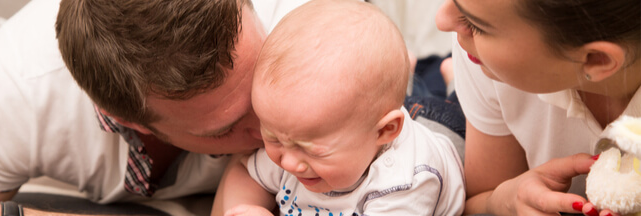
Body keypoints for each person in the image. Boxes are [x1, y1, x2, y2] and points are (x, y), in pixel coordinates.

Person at [0, 0, 307, 214]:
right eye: (225, 128)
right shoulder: (15, 94)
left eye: (259, 85)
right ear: (129, 121)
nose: (270, 129)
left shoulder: (311, 27)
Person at [211, 0, 466, 215]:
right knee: (380, 92)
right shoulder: (295, 135)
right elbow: (244, 173)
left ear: (383, 131)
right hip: (367, 117)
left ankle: (451, 75)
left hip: (439, 123)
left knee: (455, 105)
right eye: (272, 137)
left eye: (313, 151)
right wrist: (246, 207)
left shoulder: (404, 185)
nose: (287, 162)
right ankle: (405, 74)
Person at [435, 0, 640, 215]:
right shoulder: (478, 53)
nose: (442, 20)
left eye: (477, 25)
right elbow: (475, 201)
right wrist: (506, 200)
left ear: (597, 59)